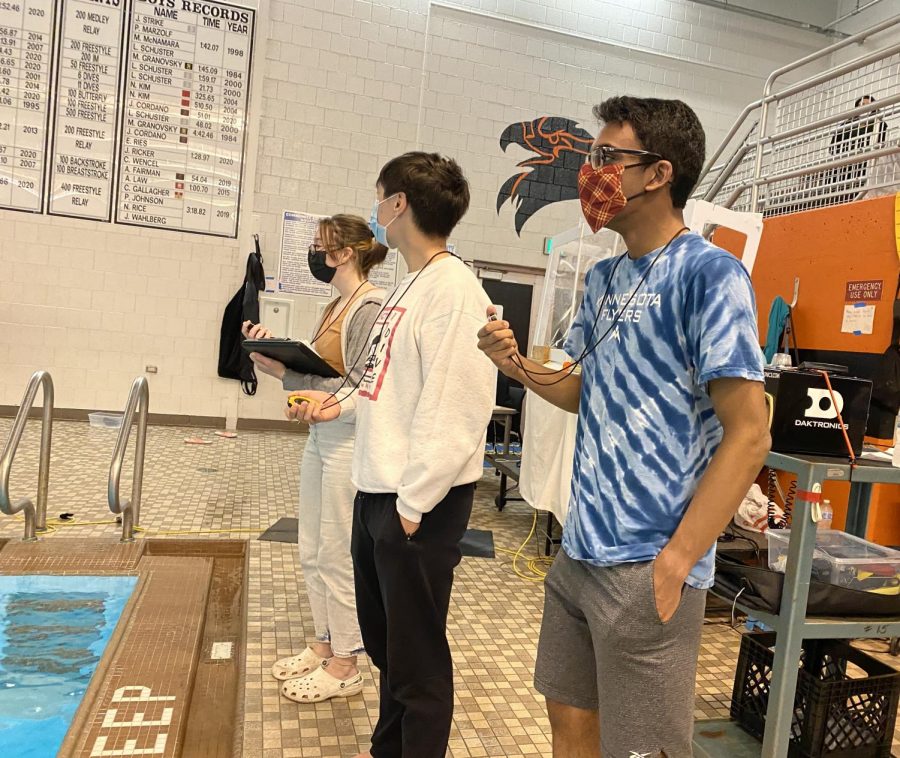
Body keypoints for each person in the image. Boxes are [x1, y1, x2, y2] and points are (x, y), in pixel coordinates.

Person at [478, 96, 771, 757]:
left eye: (607, 157)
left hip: (649, 563)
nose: (591, 171)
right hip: (580, 550)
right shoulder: (605, 277)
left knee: (646, 749)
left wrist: (679, 559)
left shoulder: (709, 276)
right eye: (592, 157)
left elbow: (750, 434)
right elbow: (584, 389)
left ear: (659, 174)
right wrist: (517, 365)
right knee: (571, 721)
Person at [286, 152, 496, 758]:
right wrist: (336, 406)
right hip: (377, 492)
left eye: (381, 197)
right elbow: (379, 379)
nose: (377, 209)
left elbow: (456, 408)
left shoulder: (454, 290)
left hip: (416, 506)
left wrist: (412, 505)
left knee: (418, 661)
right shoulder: (410, 284)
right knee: (388, 651)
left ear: (399, 204)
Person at [242, 214, 386, 703]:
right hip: (320, 439)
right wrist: (278, 365)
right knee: (310, 549)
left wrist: (296, 376)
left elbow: (361, 386)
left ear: (345, 253)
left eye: (321, 246)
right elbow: (320, 377)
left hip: (347, 439)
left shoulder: (368, 307)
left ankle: (347, 661)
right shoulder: (334, 305)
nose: (315, 254)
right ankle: (325, 643)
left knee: (336, 553)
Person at [829, 94, 888, 202]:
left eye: (867, 105)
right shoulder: (846, 125)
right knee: (844, 195)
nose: (864, 108)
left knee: (863, 192)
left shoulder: (880, 124)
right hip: (846, 166)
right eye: (861, 105)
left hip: (867, 165)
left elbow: (881, 143)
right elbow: (833, 147)